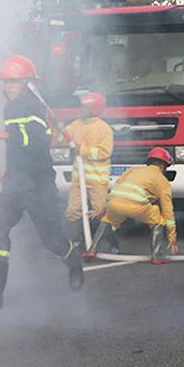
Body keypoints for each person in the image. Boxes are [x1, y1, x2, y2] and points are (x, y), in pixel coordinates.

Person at [0, 55, 84, 310]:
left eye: (14, 82)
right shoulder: (10, 107)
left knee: (51, 240)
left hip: (38, 183)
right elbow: (19, 147)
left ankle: (74, 262)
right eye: (6, 82)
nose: (8, 87)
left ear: (27, 83)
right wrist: (7, 167)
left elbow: (36, 141)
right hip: (16, 181)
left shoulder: (33, 107)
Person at [86, 148, 179, 264]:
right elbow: (168, 210)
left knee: (107, 220)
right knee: (158, 220)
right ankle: (157, 256)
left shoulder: (134, 170)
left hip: (115, 204)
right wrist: (172, 237)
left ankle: (92, 250)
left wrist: (101, 209)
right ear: (162, 165)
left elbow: (117, 189)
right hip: (137, 206)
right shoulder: (162, 181)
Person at [64, 92, 114, 249]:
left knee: (100, 210)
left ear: (93, 108)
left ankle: (108, 243)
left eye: (85, 106)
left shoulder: (103, 129)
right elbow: (63, 137)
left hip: (97, 179)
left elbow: (105, 152)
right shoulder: (76, 124)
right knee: (72, 211)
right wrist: (56, 129)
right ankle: (75, 243)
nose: (81, 109)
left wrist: (82, 150)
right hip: (79, 179)